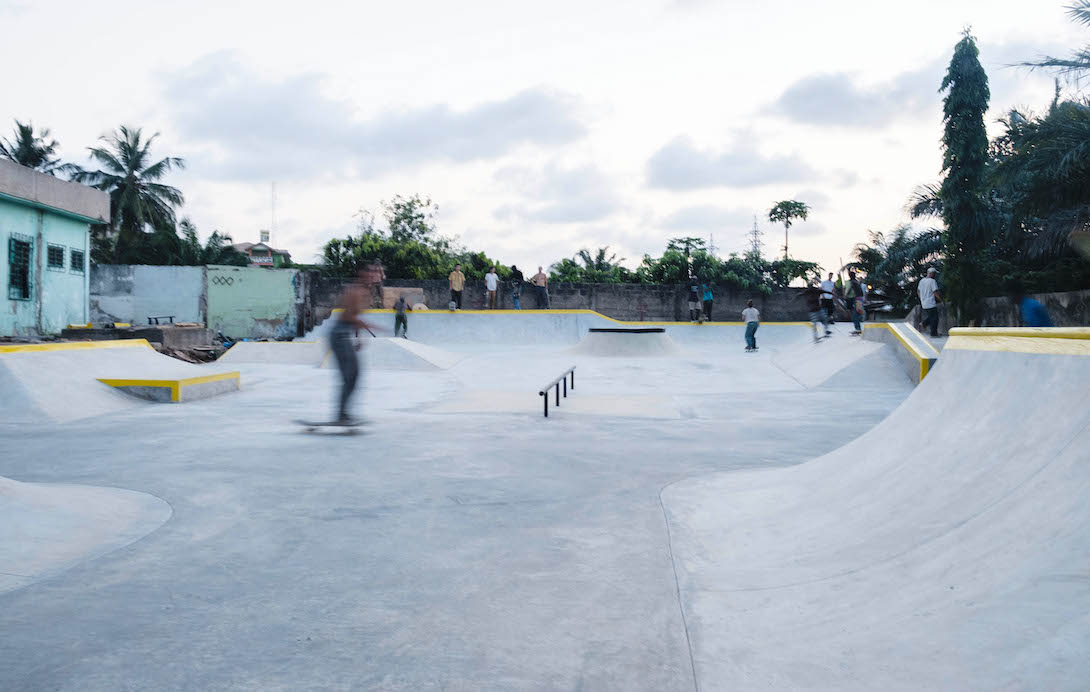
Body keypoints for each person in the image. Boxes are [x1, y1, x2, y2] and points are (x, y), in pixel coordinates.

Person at [329, 266, 380, 424]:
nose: (371, 279)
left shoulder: (366, 294)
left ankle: (344, 413)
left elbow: (355, 317)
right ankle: (341, 415)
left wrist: (359, 338)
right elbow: (350, 316)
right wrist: (369, 326)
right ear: (362, 276)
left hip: (345, 335)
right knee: (349, 376)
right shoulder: (354, 291)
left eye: (374, 277)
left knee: (355, 375)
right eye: (369, 276)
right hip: (339, 335)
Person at [917, 267, 943, 337]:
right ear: (931, 274)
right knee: (935, 318)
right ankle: (933, 333)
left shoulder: (922, 281)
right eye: (934, 274)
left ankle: (923, 324)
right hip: (931, 302)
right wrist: (941, 300)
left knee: (931, 316)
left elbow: (918, 291)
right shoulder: (932, 281)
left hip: (924, 303)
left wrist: (922, 299)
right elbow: (935, 292)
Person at [845, 270, 865, 335]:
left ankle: (858, 329)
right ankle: (858, 327)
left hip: (856, 299)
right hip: (860, 298)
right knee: (858, 312)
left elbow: (849, 289)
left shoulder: (852, 282)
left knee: (855, 314)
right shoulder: (856, 281)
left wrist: (846, 295)